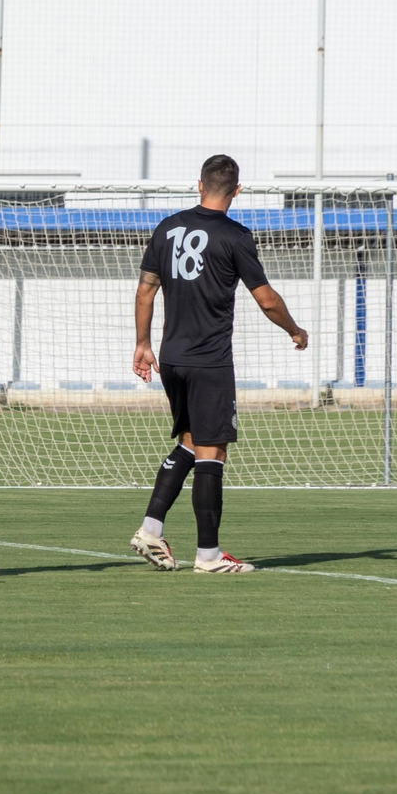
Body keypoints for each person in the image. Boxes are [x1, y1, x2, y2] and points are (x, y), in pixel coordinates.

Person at [130, 154, 308, 573]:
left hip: (171, 358)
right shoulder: (236, 236)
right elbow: (265, 299)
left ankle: (150, 530)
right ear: (237, 191)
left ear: (199, 185)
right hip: (210, 361)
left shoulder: (167, 227)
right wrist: (295, 330)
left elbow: (145, 291)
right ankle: (209, 556)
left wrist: (142, 344)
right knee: (213, 452)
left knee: (190, 443)